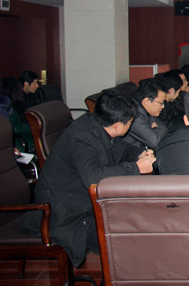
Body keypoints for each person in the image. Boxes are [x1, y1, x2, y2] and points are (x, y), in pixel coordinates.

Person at [22, 90, 156, 267]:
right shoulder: (82, 138)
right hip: (64, 213)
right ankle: (116, 277)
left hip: (82, 202)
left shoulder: (98, 123)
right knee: (124, 239)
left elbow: (120, 147)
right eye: (130, 123)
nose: (130, 126)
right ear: (117, 125)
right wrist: (136, 168)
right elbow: (92, 178)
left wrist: (139, 154)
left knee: (136, 222)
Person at [123, 78, 168, 150]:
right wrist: (155, 129)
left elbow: (164, 128)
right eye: (161, 103)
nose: (163, 106)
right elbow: (154, 142)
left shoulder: (145, 109)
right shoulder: (134, 114)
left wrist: (153, 130)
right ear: (146, 101)